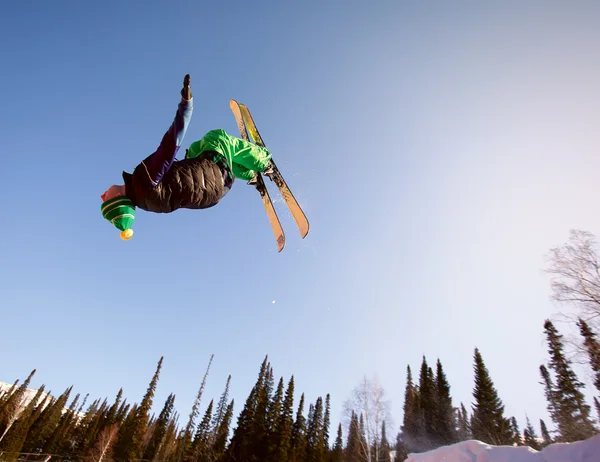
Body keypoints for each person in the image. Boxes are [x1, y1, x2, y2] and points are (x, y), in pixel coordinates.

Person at [100, 74, 274, 240]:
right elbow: (169, 147)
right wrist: (186, 106)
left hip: (215, 192)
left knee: (195, 149)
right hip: (215, 174)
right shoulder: (142, 181)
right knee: (217, 138)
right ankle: (263, 161)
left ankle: (250, 175)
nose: (103, 195)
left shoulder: (146, 203)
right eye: (105, 199)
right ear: (117, 199)